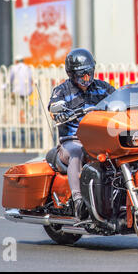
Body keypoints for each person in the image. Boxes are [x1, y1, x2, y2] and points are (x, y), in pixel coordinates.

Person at [48, 48, 116, 219]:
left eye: (89, 73)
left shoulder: (102, 87)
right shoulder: (62, 90)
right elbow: (53, 108)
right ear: (71, 74)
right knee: (77, 153)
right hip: (73, 141)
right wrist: (59, 112)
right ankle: (78, 201)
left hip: (99, 140)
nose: (86, 78)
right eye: (81, 75)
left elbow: (118, 98)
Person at [9, 55, 33, 123]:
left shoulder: (14, 68)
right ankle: (30, 119)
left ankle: (15, 122)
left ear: (16, 61)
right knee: (26, 106)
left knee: (15, 106)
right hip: (27, 91)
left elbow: (10, 80)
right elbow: (31, 79)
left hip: (17, 91)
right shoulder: (27, 68)